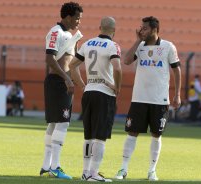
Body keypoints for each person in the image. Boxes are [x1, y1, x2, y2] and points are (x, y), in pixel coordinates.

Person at [115, 16, 181, 181]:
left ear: (154, 29)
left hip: (159, 100)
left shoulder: (167, 47)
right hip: (139, 98)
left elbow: (177, 70)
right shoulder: (141, 46)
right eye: (141, 28)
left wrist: (177, 94)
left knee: (156, 135)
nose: (141, 30)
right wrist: (137, 41)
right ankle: (123, 169)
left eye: (144, 28)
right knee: (132, 133)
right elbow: (127, 60)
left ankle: (152, 171)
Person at [69, 16, 122, 182]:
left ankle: (85, 172)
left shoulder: (88, 43)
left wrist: (82, 85)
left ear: (100, 28)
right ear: (113, 30)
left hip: (89, 91)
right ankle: (94, 173)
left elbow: (72, 65)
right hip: (104, 93)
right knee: (101, 136)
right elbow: (118, 69)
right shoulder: (113, 46)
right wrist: (117, 87)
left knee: (89, 134)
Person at [40, 2, 83, 179]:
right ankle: (55, 167)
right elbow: (49, 59)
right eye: (77, 18)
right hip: (58, 82)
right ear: (68, 17)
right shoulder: (55, 32)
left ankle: (46, 166)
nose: (78, 22)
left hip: (61, 81)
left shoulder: (67, 34)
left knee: (54, 124)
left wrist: (76, 46)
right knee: (62, 123)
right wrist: (67, 79)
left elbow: (70, 60)